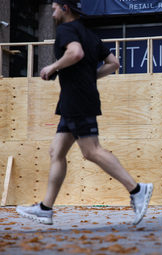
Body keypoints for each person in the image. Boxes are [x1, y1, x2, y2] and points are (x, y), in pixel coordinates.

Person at [16, 0, 153, 225]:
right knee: (56, 151)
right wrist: (90, 77)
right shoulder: (90, 35)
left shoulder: (65, 30)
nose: (52, 14)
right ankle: (46, 208)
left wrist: (53, 67)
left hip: (77, 101)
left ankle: (137, 189)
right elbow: (113, 63)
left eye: (54, 9)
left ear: (65, 8)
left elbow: (75, 53)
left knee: (91, 151)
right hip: (73, 101)